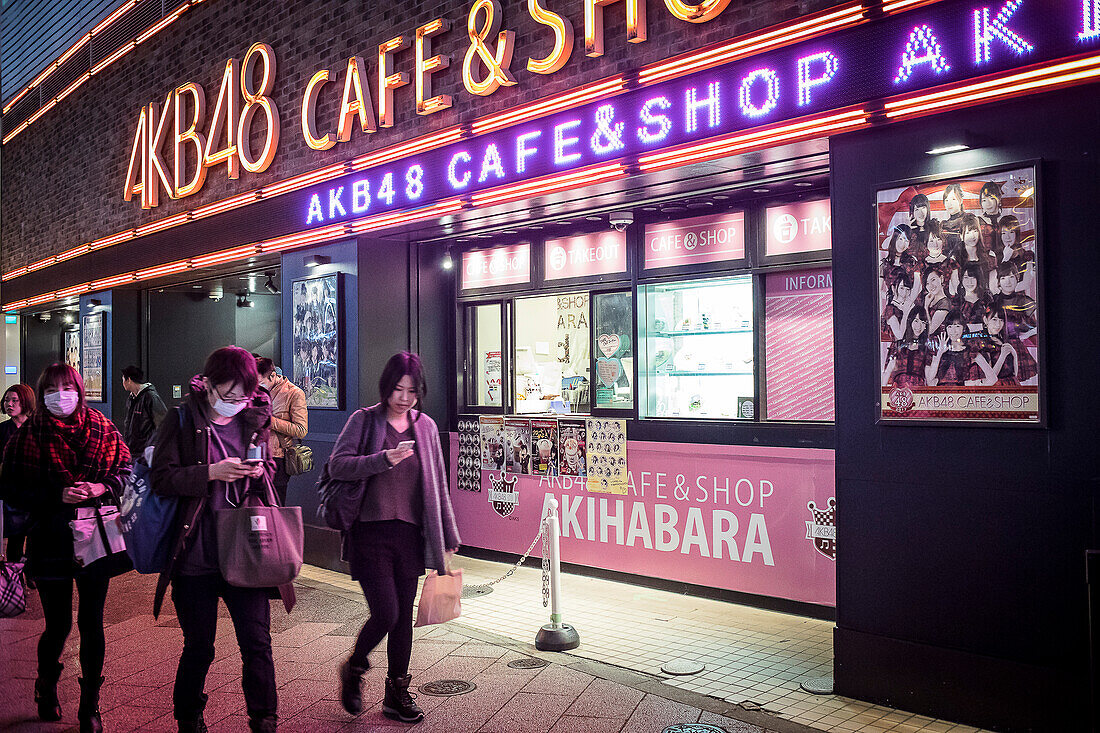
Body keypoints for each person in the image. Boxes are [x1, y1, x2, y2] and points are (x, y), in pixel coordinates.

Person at [149, 346, 292, 733]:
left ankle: (264, 719)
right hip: (195, 552)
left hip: (244, 549)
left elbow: (269, 468)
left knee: (257, 643)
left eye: (242, 396)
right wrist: (211, 472)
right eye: (227, 396)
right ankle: (189, 717)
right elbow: (161, 478)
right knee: (200, 646)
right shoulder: (181, 418)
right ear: (207, 385)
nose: (234, 403)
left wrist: (260, 469)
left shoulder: (255, 417)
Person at [0, 364, 131, 733]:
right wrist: (56, 494)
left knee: (92, 622)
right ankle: (46, 685)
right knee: (57, 624)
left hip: (95, 537)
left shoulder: (103, 428)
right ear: (42, 395)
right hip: (49, 537)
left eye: (67, 386)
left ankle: (90, 704)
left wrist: (101, 488)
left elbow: (126, 470)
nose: (62, 394)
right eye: (53, 388)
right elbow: (11, 489)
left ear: (79, 389)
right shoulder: (27, 436)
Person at [331, 352, 460, 724]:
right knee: (386, 612)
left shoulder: (426, 427)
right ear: (386, 387)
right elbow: (338, 465)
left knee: (404, 618)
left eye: (412, 390)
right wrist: (382, 459)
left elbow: (437, 485)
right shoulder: (364, 421)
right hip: (369, 533)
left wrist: (447, 536)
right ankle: (355, 667)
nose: (404, 397)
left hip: (410, 536)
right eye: (398, 389)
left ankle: (397, 693)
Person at [255, 356, 308, 505]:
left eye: (260, 383)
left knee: (275, 505)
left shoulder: (294, 393)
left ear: (273, 375)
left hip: (278, 458)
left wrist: (269, 421)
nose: (257, 387)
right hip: (255, 455)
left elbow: (301, 430)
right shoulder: (256, 392)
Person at [1, 383, 37, 585]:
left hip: (35, 492)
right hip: (12, 493)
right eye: (7, 400)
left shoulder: (37, 428)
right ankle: (13, 576)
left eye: (15, 400)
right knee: (15, 538)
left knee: (34, 537)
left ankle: (31, 572)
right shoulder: (3, 430)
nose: (9, 404)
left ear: (25, 402)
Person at [121, 365, 167, 458]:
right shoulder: (131, 398)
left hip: (145, 452)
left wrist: (152, 446)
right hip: (132, 451)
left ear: (129, 380)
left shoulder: (150, 396)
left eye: (123, 380)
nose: (122, 383)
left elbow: (162, 423)